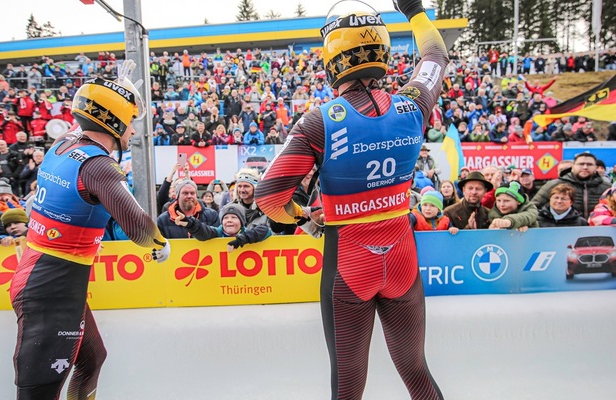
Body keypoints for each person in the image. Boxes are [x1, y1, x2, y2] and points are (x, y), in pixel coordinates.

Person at [255, 1, 448, 397]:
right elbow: (435, 54)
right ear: (383, 54)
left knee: (347, 389)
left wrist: (308, 221)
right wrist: (412, 9)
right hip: (401, 258)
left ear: (332, 66)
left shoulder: (319, 120)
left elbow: (269, 197)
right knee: (417, 374)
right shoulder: (414, 104)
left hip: (349, 262)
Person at [9, 61, 172, 400]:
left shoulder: (65, 141)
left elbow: (91, 113)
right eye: (130, 122)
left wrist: (117, 91)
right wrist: (159, 244)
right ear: (113, 122)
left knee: (92, 358)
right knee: (40, 390)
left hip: (47, 274)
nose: (133, 131)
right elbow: (139, 226)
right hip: (52, 285)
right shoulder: (99, 165)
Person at [530, 152, 611, 219]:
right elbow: (533, 207)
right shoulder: (554, 184)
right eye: (581, 164)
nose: (585, 167)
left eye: (589, 164)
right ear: (573, 167)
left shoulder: (606, 187)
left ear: (595, 167)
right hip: (564, 231)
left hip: (598, 232)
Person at [173, 203, 271, 252]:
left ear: (241, 222)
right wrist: (190, 224)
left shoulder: (248, 233)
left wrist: (242, 240)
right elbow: (203, 231)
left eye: (234, 217)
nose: (229, 220)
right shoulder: (216, 233)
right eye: (226, 218)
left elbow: (265, 230)